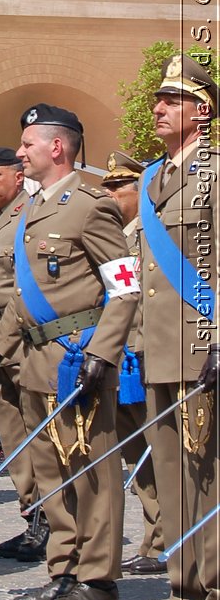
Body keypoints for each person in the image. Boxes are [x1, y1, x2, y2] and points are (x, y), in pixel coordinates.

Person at [0, 105, 141, 600]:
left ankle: (100, 579)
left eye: (27, 145)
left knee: (93, 471)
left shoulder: (89, 205)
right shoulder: (29, 212)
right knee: (52, 472)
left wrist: (103, 351)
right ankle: (63, 570)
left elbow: (124, 285)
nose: (20, 153)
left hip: (76, 358)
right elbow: (24, 295)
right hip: (35, 357)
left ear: (57, 147)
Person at [135, 53, 219, 600]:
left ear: (203, 110)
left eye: (173, 100)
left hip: (201, 345)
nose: (159, 108)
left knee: (207, 474)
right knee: (170, 475)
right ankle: (184, 593)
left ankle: (216, 599)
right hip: (158, 348)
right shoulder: (153, 178)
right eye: (158, 100)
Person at [0, 148, 47, 562]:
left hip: (22, 335)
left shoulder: (30, 215)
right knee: (12, 433)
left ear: (18, 178)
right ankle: (32, 513)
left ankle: (53, 517)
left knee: (36, 429)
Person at [100, 152, 165, 575]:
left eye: (115, 189)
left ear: (136, 189)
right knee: (136, 455)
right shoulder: (114, 234)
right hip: (119, 357)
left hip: (144, 353)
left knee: (160, 451)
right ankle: (154, 536)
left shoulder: (149, 231)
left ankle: (168, 539)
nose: (107, 196)